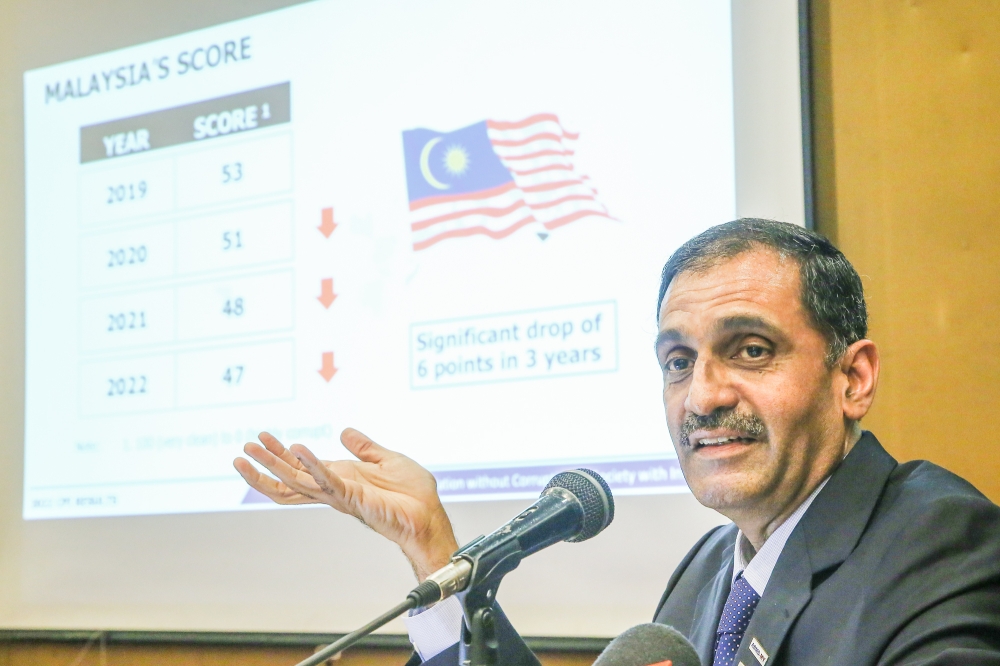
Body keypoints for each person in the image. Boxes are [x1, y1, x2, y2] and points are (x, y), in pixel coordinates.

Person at [234, 219, 1000, 665]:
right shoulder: (706, 572)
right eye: (678, 362)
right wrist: (437, 556)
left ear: (853, 378)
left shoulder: (941, 543)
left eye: (751, 350)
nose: (703, 396)